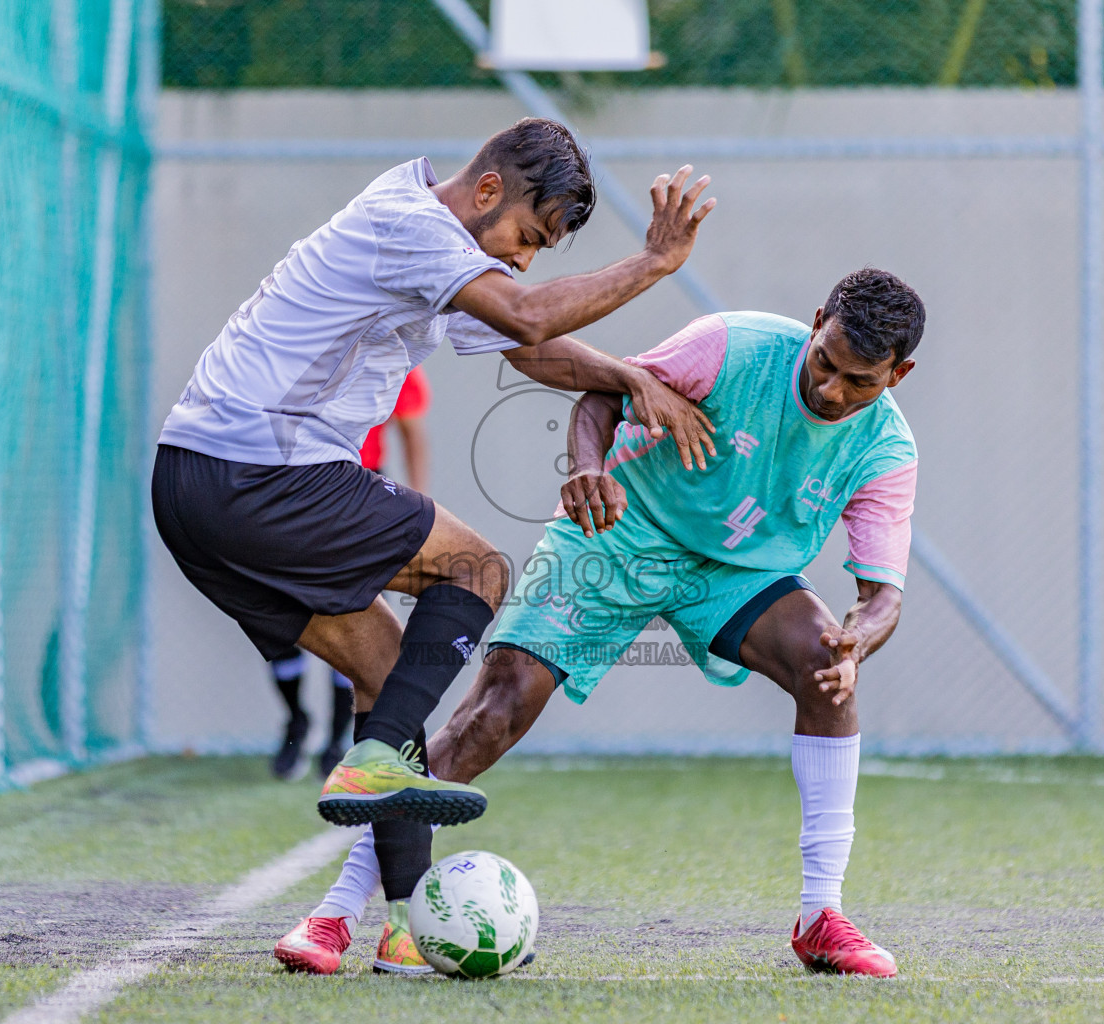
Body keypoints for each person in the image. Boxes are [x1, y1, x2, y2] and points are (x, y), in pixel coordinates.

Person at [153, 117, 719, 972]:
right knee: (478, 569)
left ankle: (407, 928)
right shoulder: (411, 224)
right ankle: (378, 760)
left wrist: (629, 376)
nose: (525, 261)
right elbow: (527, 314)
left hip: (192, 486)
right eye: (527, 237)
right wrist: (654, 264)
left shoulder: (426, 238)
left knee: (386, 676)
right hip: (262, 469)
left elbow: (529, 346)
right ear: (487, 190)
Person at [279, 268, 925, 979]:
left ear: (898, 374)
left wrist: (857, 640)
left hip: (738, 569)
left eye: (859, 381)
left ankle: (820, 917)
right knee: (497, 708)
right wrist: (589, 468)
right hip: (619, 527)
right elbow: (604, 394)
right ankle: (337, 912)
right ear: (815, 322)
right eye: (825, 362)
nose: (831, 390)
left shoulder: (886, 452)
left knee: (827, 672)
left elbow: (882, 598)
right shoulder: (730, 346)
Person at [267, 367, 433, 781]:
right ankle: (296, 720)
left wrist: (419, 506)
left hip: (361, 487)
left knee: (356, 614)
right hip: (294, 489)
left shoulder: (394, 358)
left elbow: (411, 430)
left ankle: (338, 743)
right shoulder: (298, 349)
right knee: (276, 615)